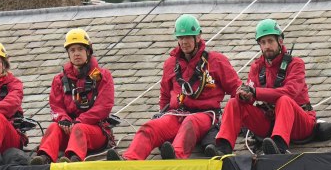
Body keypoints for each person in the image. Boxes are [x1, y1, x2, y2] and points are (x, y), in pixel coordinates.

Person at [108, 14, 240, 160]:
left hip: (206, 115)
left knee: (190, 123)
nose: (184, 42)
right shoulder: (170, 64)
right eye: (181, 38)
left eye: (188, 37)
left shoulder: (216, 60)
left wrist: (233, 122)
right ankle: (128, 160)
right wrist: (162, 118)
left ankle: (175, 157)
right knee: (150, 127)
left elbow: (236, 89)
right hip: (177, 113)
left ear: (198, 37)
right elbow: (165, 96)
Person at [205, 19, 316, 156]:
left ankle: (279, 147)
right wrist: (243, 95)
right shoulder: (257, 67)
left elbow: (290, 92)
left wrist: (255, 92)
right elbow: (250, 99)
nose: (267, 46)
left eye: (270, 41)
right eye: (263, 43)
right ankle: (223, 147)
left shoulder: (295, 64)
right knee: (234, 102)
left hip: (300, 123)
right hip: (270, 122)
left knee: (284, 100)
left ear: (280, 41)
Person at [30, 28, 116, 164]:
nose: (76, 53)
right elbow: (56, 106)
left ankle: (73, 158)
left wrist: (79, 121)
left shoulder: (102, 76)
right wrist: (63, 119)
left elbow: (103, 107)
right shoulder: (59, 80)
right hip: (69, 129)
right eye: (72, 50)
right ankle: (44, 157)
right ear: (68, 54)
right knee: (53, 127)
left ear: (88, 51)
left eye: (80, 49)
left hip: (95, 131)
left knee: (79, 128)